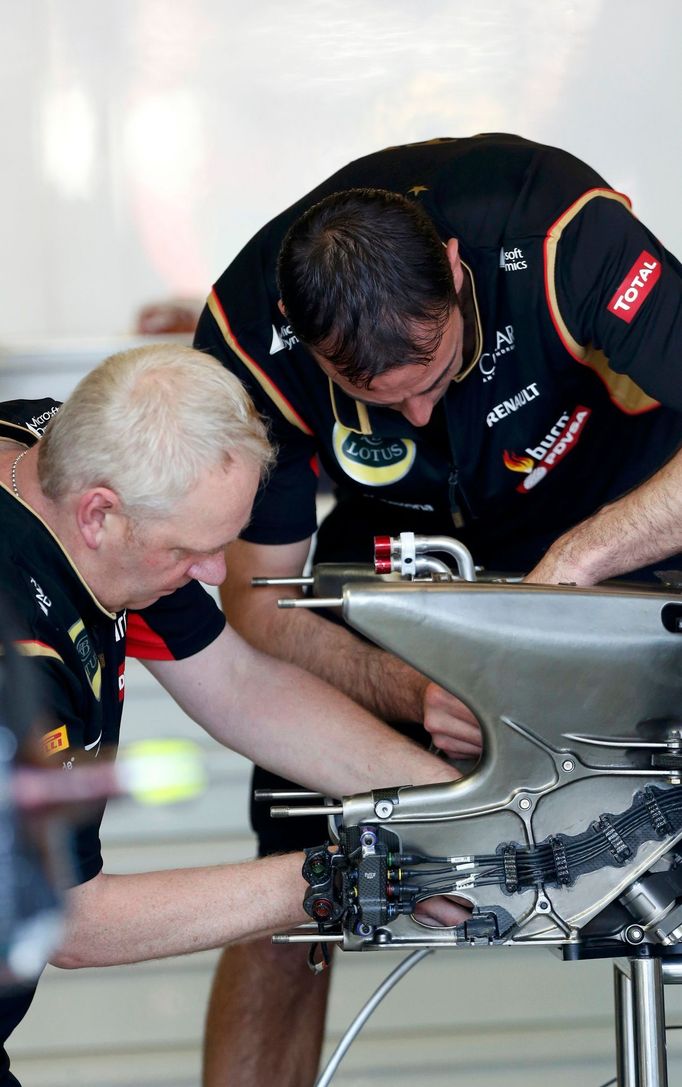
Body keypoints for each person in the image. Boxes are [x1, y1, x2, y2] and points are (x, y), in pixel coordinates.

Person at [194, 133, 682, 1086]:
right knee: (291, 892)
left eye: (433, 374)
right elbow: (256, 603)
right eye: (380, 397)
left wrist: (584, 559)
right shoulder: (249, 340)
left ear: (457, 273)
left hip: (624, 506)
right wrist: (410, 687)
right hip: (398, 539)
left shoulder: (561, 238)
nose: (417, 417)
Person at [0, 343, 461, 1087]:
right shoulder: (16, 657)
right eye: (195, 551)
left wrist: (455, 798)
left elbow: (240, 684)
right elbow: (71, 921)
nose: (216, 576)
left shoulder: (53, 453)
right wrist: (337, 873)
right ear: (99, 516)